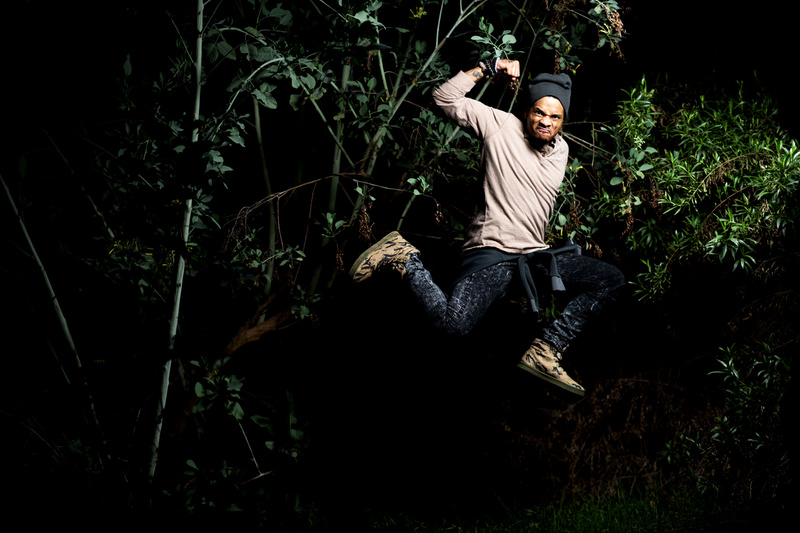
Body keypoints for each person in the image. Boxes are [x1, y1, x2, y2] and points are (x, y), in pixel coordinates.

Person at [349, 58, 625, 397]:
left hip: (532, 259)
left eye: (555, 117)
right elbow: (443, 98)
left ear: (563, 121)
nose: (546, 122)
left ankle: (547, 349)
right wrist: (489, 66)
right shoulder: (500, 125)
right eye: (539, 112)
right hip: (491, 255)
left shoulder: (562, 150)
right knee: (452, 328)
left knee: (610, 279)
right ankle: (405, 257)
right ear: (527, 111)